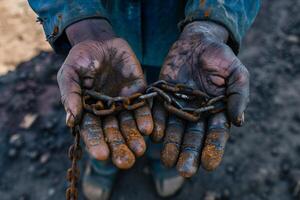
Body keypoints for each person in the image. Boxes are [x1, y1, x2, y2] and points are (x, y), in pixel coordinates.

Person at [28, 1, 260, 199]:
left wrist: (212, 23)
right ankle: (103, 163)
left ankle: (160, 155)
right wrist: (84, 26)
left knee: (167, 111)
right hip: (103, 23)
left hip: (180, 35)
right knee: (101, 101)